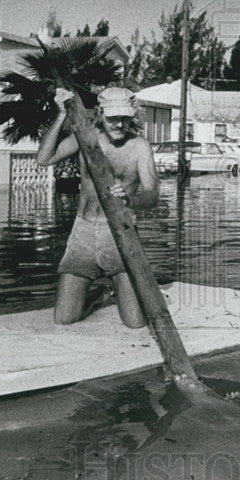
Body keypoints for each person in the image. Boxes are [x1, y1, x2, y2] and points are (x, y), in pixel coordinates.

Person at [36, 85, 160, 328]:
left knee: (135, 322)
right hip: (82, 231)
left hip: (120, 234)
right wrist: (62, 114)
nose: (119, 125)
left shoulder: (140, 147)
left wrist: (130, 199)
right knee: (64, 318)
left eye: (125, 118)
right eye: (113, 118)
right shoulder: (85, 138)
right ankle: (102, 293)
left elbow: (153, 195)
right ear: (100, 115)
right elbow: (43, 159)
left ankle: (126, 286)